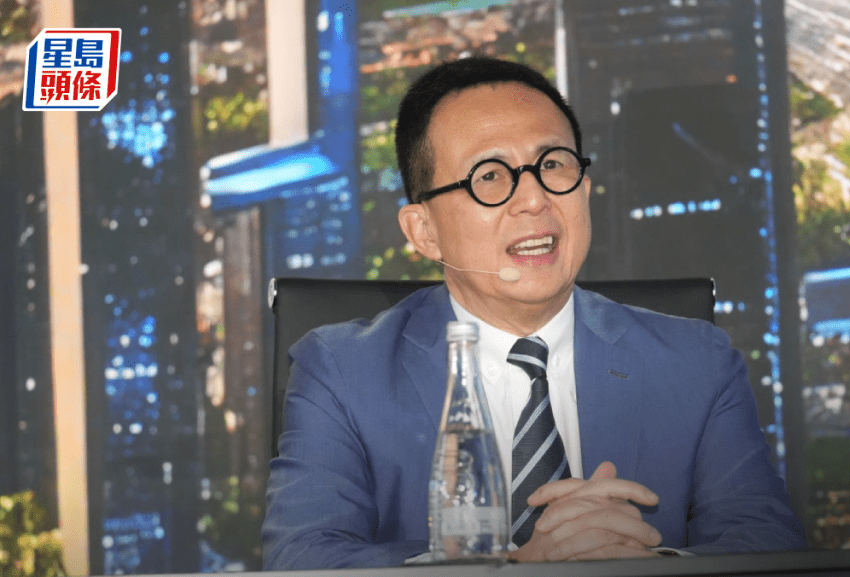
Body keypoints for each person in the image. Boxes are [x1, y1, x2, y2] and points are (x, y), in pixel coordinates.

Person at [262, 56, 806, 569]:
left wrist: (641, 566)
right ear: (424, 231)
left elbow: (768, 545)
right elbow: (303, 559)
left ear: (584, 190)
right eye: (490, 176)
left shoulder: (698, 362)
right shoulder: (341, 371)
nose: (534, 199)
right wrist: (518, 566)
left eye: (552, 165)